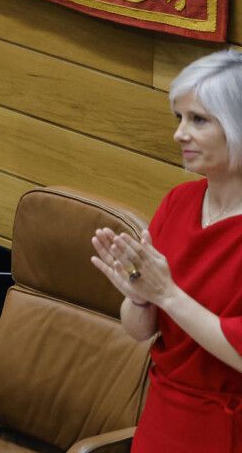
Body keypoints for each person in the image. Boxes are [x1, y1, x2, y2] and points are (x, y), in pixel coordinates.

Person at [91, 49, 242, 451]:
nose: (179, 134)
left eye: (198, 120)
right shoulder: (178, 201)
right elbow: (142, 331)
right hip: (163, 417)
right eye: (180, 119)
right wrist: (139, 299)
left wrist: (167, 295)